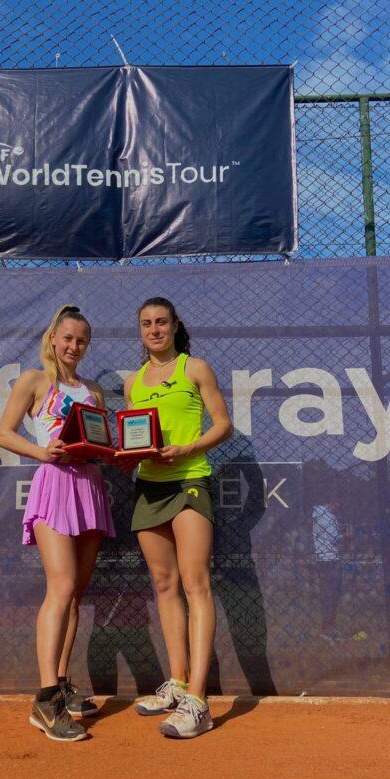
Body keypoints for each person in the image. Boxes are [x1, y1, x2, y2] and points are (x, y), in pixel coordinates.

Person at [0, 305, 115, 742]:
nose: (73, 346)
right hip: (54, 484)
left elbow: (100, 441)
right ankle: (45, 700)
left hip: (90, 487)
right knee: (61, 586)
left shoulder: (93, 390)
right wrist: (41, 452)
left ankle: (62, 683)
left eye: (81, 341)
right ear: (53, 338)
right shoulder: (33, 380)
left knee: (76, 593)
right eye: (67, 338)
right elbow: (4, 433)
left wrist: (114, 453)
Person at [122, 296, 233, 738]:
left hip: (190, 480)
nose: (154, 329)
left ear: (174, 326)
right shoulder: (133, 381)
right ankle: (178, 683)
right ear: (141, 330)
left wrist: (187, 448)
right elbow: (135, 436)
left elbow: (222, 424)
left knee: (195, 583)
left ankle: (198, 703)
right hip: (149, 486)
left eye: (161, 322)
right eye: (146, 323)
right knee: (165, 586)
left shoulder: (196, 368)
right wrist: (127, 454)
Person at [311, 497, 344, 641]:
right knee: (332, 595)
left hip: (323, 559)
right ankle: (328, 628)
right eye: (338, 503)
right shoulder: (327, 517)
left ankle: (328, 626)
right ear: (332, 502)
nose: (339, 507)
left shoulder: (318, 514)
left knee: (328, 594)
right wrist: (347, 536)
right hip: (331, 559)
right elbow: (334, 539)